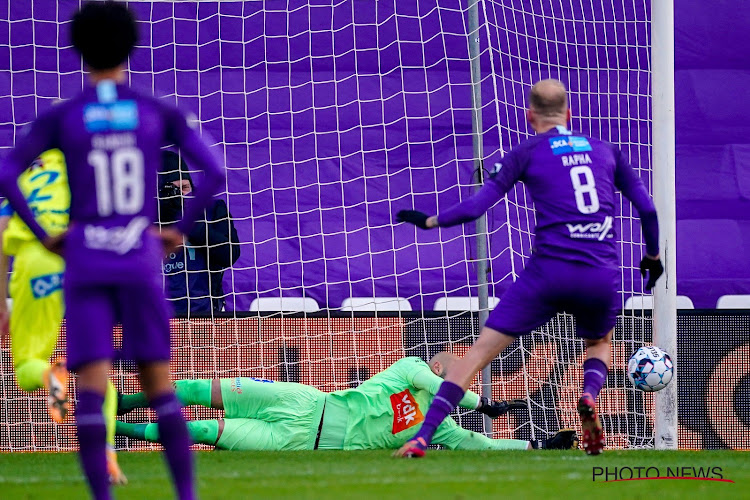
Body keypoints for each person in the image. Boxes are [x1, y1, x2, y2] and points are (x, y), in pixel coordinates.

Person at [0, 2, 224, 499]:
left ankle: (103, 496)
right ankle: (186, 495)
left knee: (91, 384)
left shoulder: (63, 116)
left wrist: (42, 233)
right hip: (137, 255)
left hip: (84, 258)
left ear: (77, 49)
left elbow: (6, 172)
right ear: (132, 46)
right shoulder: (155, 109)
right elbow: (216, 172)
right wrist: (176, 230)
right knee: (160, 384)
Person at [394, 79, 663, 457]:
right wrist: (652, 256)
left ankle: (422, 436)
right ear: (569, 114)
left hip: (548, 274)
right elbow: (648, 210)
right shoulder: (606, 151)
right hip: (599, 272)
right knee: (599, 343)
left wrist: (430, 222)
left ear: (529, 115)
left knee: (476, 355)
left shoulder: (525, 152)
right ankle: (587, 395)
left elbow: (474, 209)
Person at [115, 353, 578, 452]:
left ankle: (119, 431)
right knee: (200, 390)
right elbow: (436, 385)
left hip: (297, 443)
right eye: (449, 358)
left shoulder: (436, 426)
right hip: (304, 402)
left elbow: (479, 446)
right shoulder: (411, 368)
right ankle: (127, 402)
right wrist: (485, 403)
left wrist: (536, 447)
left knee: (198, 431)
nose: (448, 360)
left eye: (457, 363)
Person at [0, 149, 126, 484]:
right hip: (81, 261)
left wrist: (1, 302)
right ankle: (106, 455)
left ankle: (48, 374)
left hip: (36, 260)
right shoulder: (91, 172)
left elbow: (0, 234)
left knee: (28, 364)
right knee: (96, 372)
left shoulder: (25, 180)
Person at [159, 150, 240, 314]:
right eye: (172, 190)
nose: (179, 195)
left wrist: (186, 220)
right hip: (156, 315)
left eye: (184, 187)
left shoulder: (211, 209)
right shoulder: (145, 217)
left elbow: (230, 254)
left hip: (204, 314)